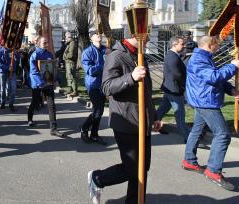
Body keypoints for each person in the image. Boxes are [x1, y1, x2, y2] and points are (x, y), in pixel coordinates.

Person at [87, 32, 161, 204]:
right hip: (125, 121)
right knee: (133, 168)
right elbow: (106, 87)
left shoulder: (139, 55)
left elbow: (147, 91)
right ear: (136, 34)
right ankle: (98, 178)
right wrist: (131, 77)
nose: (149, 38)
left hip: (143, 120)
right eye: (147, 33)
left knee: (143, 168)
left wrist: (154, 116)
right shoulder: (116, 55)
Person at [182, 35, 239, 191]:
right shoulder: (198, 59)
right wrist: (233, 67)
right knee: (222, 135)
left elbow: (215, 78)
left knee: (197, 130)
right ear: (209, 45)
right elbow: (213, 77)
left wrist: (230, 89)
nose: (218, 48)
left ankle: (189, 161)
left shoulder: (204, 57)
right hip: (205, 101)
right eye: (216, 46)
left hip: (203, 99)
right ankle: (213, 171)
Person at [27, 36, 65, 137]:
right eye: (44, 43)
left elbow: (53, 69)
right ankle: (30, 119)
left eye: (47, 42)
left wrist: (58, 80)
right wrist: (41, 83)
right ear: (38, 43)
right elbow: (33, 72)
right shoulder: (35, 55)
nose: (46, 44)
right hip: (38, 84)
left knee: (51, 105)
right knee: (35, 102)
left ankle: (53, 129)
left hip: (48, 84)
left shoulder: (49, 54)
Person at [155, 36, 190, 141]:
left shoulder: (174, 55)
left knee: (162, 109)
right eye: (182, 44)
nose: (184, 46)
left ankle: (154, 125)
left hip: (170, 88)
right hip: (174, 89)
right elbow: (177, 74)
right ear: (174, 45)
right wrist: (185, 85)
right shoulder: (172, 56)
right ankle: (188, 138)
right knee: (180, 114)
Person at [80, 31, 108, 145]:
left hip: (104, 84)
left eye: (100, 34)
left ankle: (94, 134)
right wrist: (104, 65)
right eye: (96, 34)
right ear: (91, 38)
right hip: (93, 85)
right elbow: (90, 70)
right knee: (98, 109)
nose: (99, 35)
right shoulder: (87, 52)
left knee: (99, 111)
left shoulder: (106, 50)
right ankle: (84, 128)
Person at [0, 45, 19, 111]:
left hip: (12, 72)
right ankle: (2, 102)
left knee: (13, 88)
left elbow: (16, 61)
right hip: (3, 72)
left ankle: (11, 104)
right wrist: (7, 67)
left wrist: (16, 54)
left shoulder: (13, 51)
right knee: (3, 88)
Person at [63, 32, 78, 96]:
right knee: (68, 76)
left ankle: (75, 90)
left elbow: (71, 54)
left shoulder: (72, 43)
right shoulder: (69, 43)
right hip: (68, 62)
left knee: (71, 76)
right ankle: (70, 88)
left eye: (66, 37)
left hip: (70, 62)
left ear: (69, 37)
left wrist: (65, 57)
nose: (65, 39)